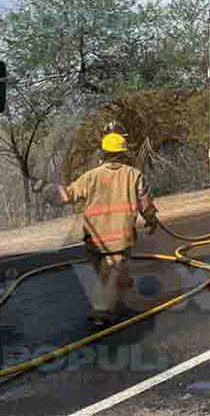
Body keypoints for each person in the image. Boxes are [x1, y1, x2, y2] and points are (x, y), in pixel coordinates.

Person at [57, 130, 159, 327]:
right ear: (123, 153)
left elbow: (67, 195)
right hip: (120, 240)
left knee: (106, 275)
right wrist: (152, 221)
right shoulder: (134, 176)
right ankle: (106, 306)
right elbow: (145, 206)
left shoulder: (89, 177)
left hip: (94, 240)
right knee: (109, 276)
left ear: (103, 153)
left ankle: (105, 307)